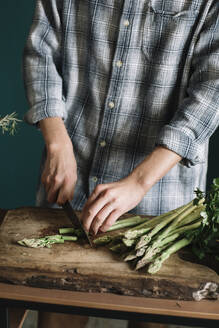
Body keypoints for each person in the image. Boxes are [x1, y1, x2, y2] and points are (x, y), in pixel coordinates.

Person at [23, 0, 219, 327]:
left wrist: (139, 182)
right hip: (71, 185)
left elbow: (212, 92)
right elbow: (40, 49)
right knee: (59, 309)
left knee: (152, 318)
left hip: (159, 207)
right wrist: (56, 140)